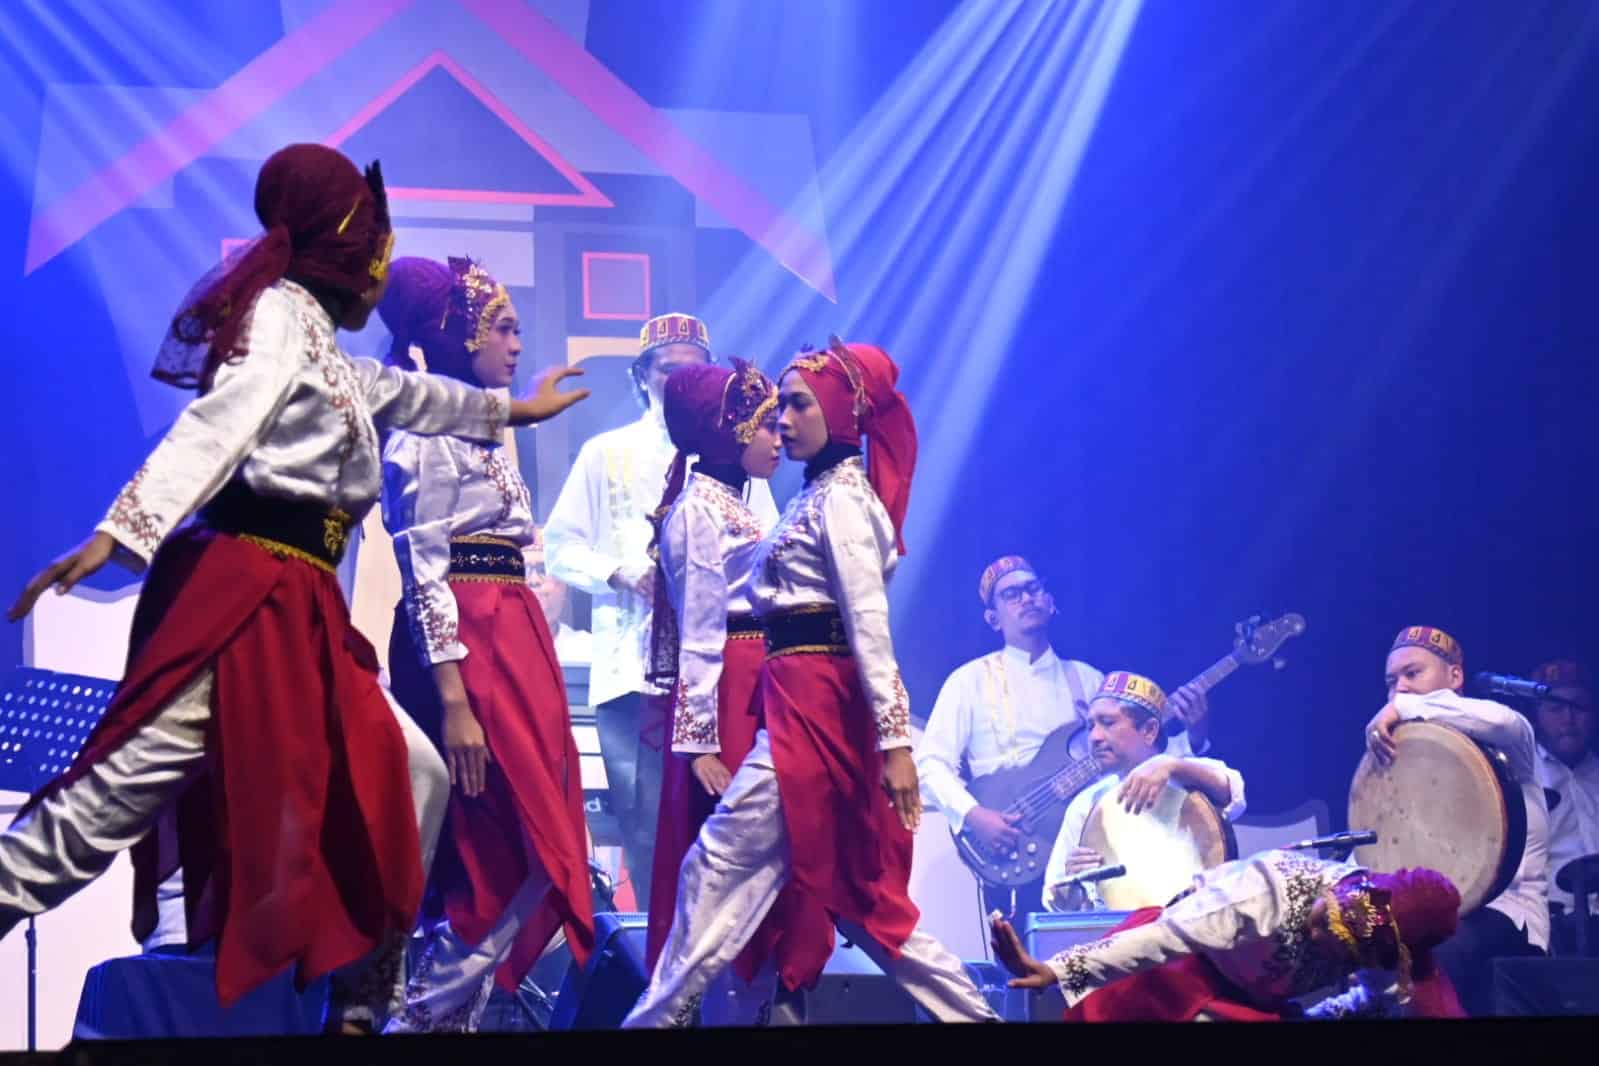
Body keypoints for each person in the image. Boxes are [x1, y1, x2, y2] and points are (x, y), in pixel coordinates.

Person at [0, 144, 588, 1032]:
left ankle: (361, 1003)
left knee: (414, 773)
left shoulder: (321, 342)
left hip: (304, 604)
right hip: (243, 592)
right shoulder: (277, 315)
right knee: (110, 799)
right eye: (376, 243)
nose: (381, 266)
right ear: (343, 240)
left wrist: (514, 410)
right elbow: (219, 422)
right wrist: (124, 529)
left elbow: (406, 394)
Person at [622, 337, 998, 1026]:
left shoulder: (843, 500)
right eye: (778, 410)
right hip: (794, 699)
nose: (784, 421)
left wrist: (895, 744)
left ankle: (655, 1020)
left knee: (724, 865)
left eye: (797, 405)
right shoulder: (813, 496)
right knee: (851, 898)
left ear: (839, 411)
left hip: (818, 706)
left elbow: (869, 625)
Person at [376, 256, 596, 1032]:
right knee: (504, 844)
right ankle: (422, 1018)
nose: (516, 343)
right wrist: (454, 700)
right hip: (470, 644)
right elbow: (423, 570)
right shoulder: (423, 436)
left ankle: (448, 1016)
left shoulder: (479, 429)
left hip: (515, 632)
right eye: (501, 328)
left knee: (546, 837)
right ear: (459, 335)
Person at [543, 313, 776, 908]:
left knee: (727, 824)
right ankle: (660, 953)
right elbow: (561, 546)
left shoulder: (737, 457)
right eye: (669, 370)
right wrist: (618, 572)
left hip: (723, 672)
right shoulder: (606, 453)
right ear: (642, 376)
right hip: (633, 665)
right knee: (648, 831)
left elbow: (770, 553)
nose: (681, 382)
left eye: (696, 371)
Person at [642, 358, 829, 1025]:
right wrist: (699, 743)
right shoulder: (697, 511)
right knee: (728, 855)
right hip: (729, 685)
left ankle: (767, 998)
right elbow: (698, 632)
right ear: (727, 433)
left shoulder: (734, 505)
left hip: (762, 676)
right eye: (763, 425)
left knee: (776, 846)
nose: (778, 436)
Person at [916, 555, 1213, 918]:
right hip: (1015, 846)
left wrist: (1194, 735)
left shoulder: (1088, 680)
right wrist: (974, 816)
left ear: (1050, 601)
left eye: (1033, 588)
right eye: (1011, 594)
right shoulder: (968, 681)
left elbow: (1136, 758)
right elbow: (930, 765)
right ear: (993, 618)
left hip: (1089, 849)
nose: (1026, 598)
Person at [990, 851, 1466, 1020]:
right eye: (1324, 917)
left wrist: (1315, 1017)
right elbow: (1162, 941)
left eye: (1332, 940)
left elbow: (1379, 997)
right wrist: (1056, 969)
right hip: (1175, 975)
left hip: (1249, 1006)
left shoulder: (1381, 942)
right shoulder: (1265, 894)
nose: (1315, 931)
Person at [1364, 625, 1550, 1014]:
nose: (1400, 688)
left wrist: (1404, 708)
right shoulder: (1399, 758)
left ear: (1455, 676)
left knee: (1435, 956)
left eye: (1413, 673)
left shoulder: (1508, 740)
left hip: (1506, 914)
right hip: (1427, 918)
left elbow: (1504, 721)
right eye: (1391, 682)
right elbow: (1376, 848)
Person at [1040, 671, 1245, 912]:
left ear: (1149, 730)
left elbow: (1232, 792)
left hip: (1194, 921)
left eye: (1108, 723)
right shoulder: (1087, 802)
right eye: (1090, 725)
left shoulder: (1184, 773)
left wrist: (1170, 766)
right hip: (1119, 930)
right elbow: (1055, 900)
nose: (1094, 737)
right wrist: (1072, 885)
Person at [1527, 659, 1598, 934]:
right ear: (1537, 715)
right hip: (1550, 928)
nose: (1568, 719)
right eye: (1555, 708)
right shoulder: (1522, 777)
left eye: (1578, 707)